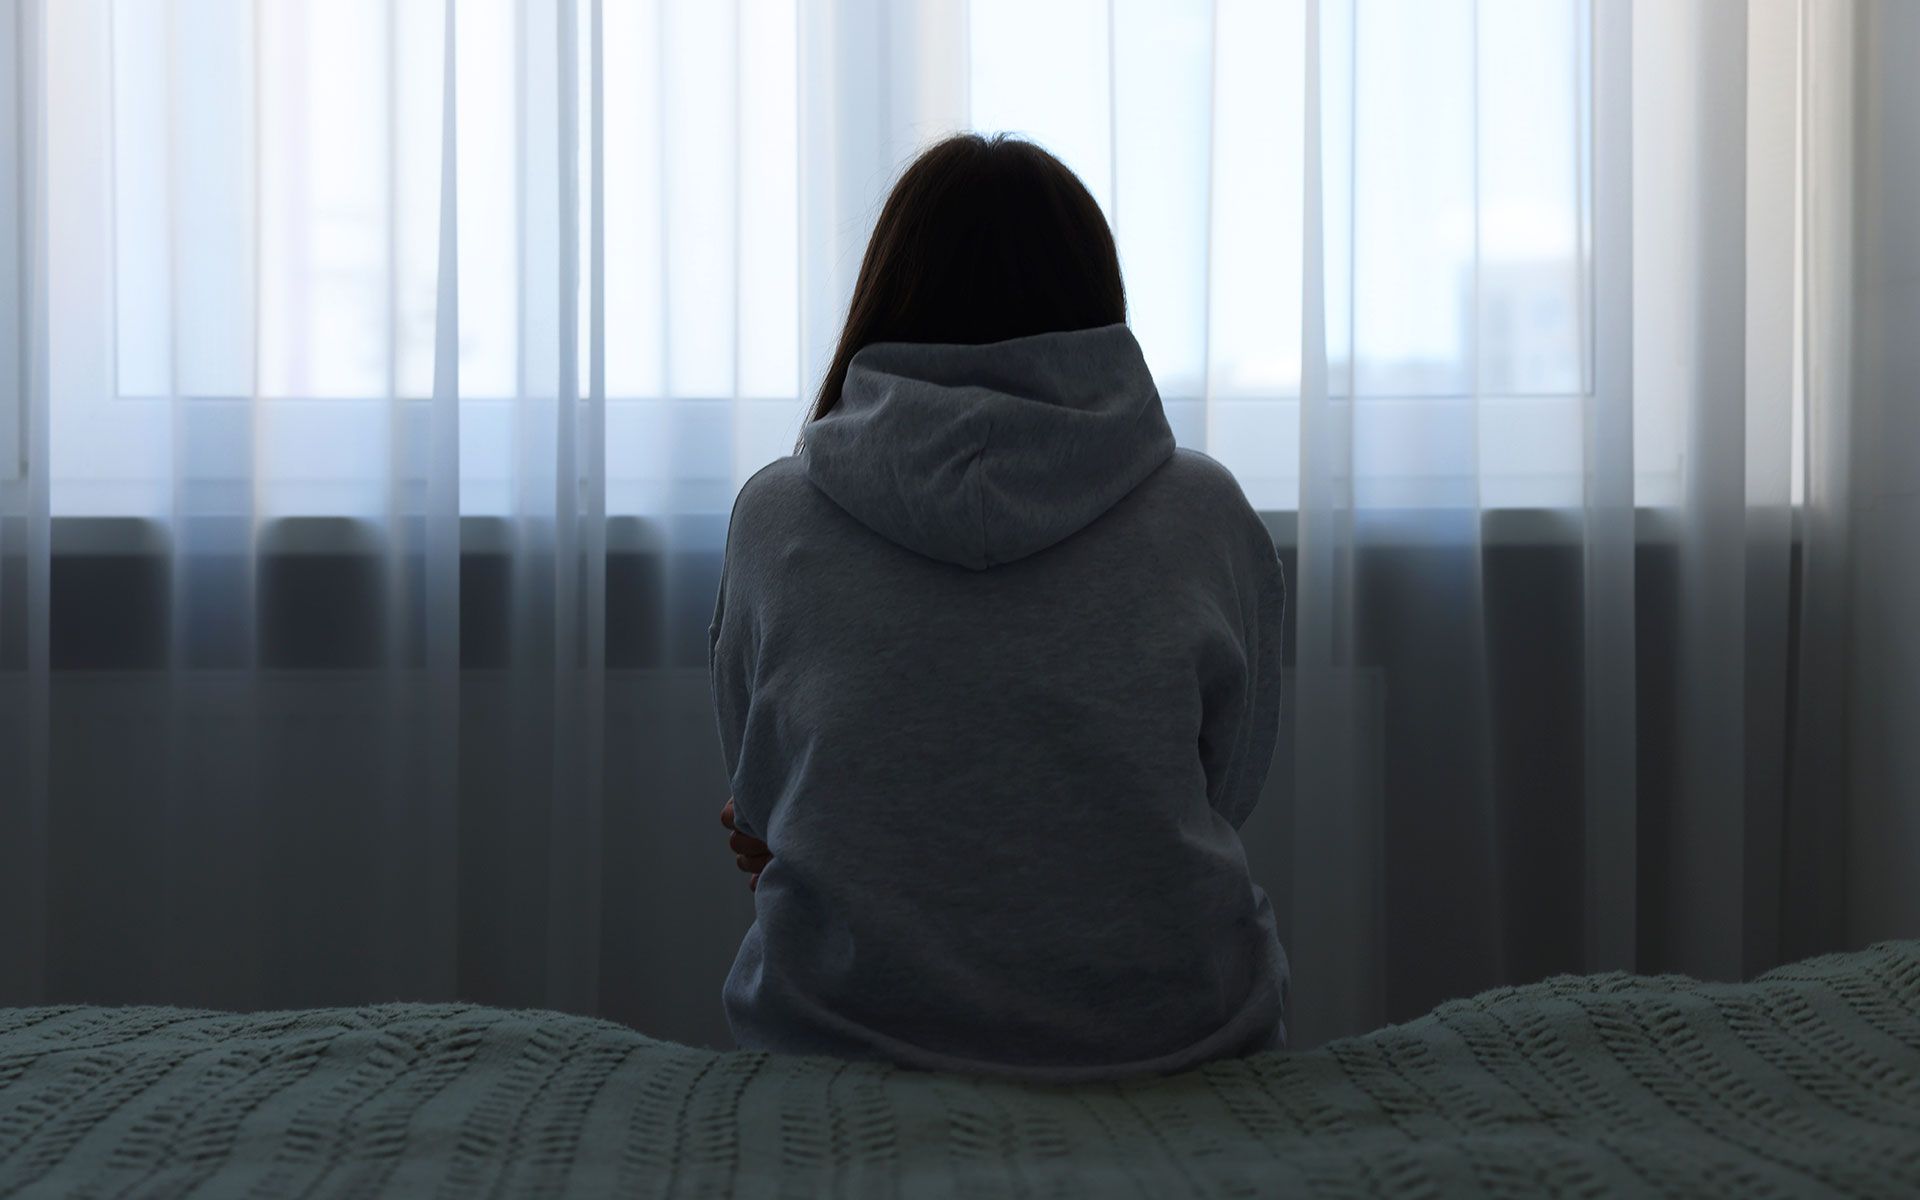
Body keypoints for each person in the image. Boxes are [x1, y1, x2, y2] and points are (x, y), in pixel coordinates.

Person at [709, 133, 1288, 1083]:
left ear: (885, 295)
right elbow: (1226, 787)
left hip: (836, 1038)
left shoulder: (776, 515)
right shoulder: (1204, 512)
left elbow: (763, 802)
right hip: (1176, 1041)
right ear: (1097, 303)